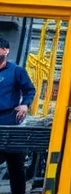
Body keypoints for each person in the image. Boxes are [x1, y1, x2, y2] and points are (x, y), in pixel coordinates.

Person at [0, 36, 35, 194]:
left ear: (6, 51)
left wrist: (25, 105)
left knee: (15, 164)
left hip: (9, 120)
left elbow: (29, 90)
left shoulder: (16, 71)